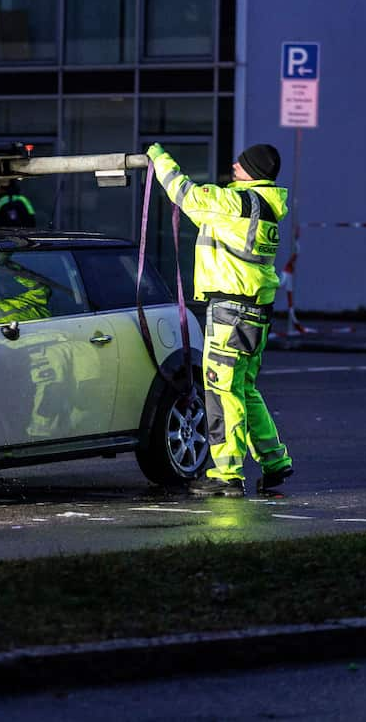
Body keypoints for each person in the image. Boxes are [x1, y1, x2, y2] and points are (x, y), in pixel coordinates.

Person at [146, 141, 293, 497]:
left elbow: (186, 194)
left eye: (241, 164)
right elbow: (206, 215)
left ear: (253, 172)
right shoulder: (261, 207)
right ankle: (275, 461)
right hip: (256, 312)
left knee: (222, 390)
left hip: (230, 311)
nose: (234, 166)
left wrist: (157, 156)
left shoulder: (235, 202)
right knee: (244, 389)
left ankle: (226, 474)